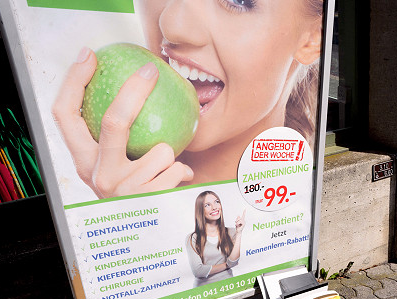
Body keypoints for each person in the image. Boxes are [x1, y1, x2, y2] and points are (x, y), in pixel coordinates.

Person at [53, 0, 323, 199]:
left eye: (238, 1)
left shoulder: (299, 217)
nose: (172, 24)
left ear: (313, 38)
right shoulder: (69, 183)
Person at [185, 190, 245, 284]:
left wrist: (239, 233)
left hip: (228, 286)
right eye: (207, 205)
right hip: (203, 292)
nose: (214, 207)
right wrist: (226, 265)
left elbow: (233, 262)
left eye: (217, 202)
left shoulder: (231, 232)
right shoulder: (193, 238)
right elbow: (198, 271)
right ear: (200, 210)